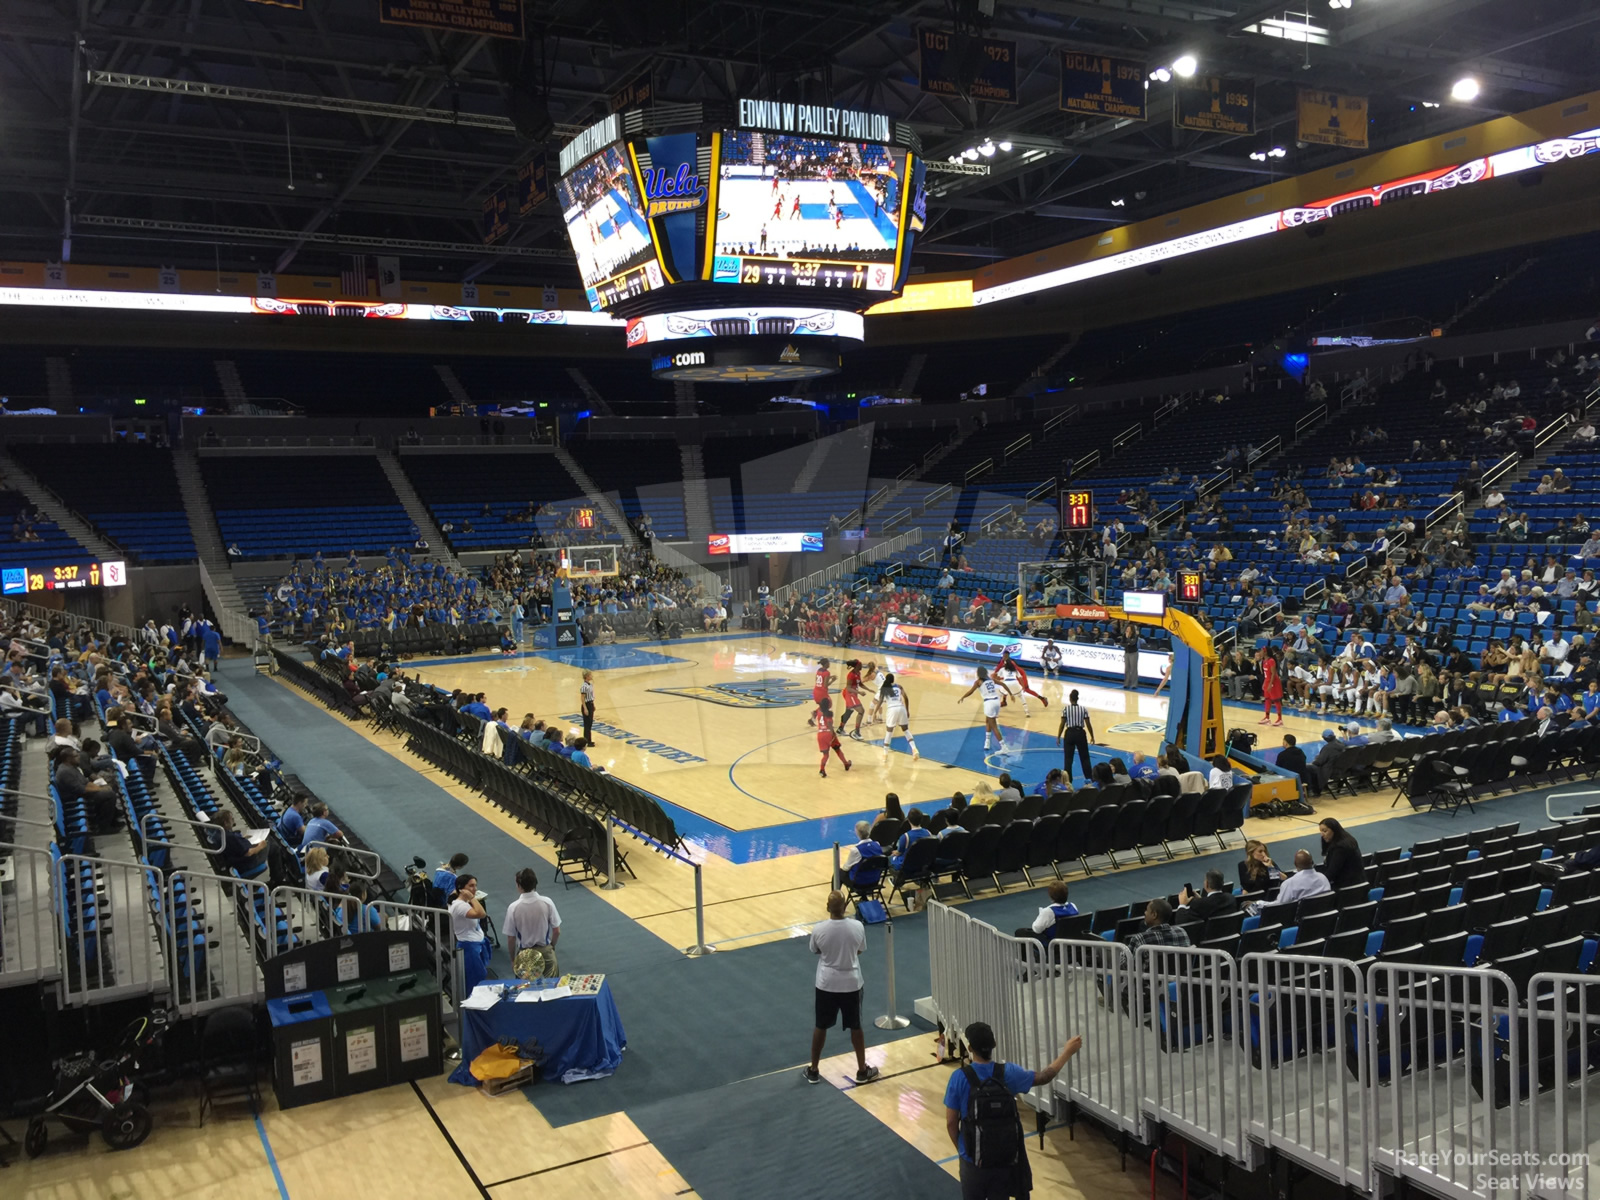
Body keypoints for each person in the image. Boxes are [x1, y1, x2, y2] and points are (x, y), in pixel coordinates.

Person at [944, 1022, 1082, 1200]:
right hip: (1004, 1158)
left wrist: (963, 1149)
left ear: (970, 1047)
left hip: (972, 1162)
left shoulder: (959, 1077)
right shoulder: (1008, 1073)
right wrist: (1067, 1052)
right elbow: (1045, 1076)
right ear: (993, 1045)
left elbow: (950, 1123)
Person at [802, 891, 880, 1086]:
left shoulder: (819, 929)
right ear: (845, 907)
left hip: (826, 984)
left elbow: (815, 950)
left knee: (821, 1025)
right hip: (851, 984)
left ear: (828, 908)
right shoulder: (857, 926)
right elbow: (860, 949)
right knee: (856, 1026)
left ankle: (813, 1070)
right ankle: (862, 1070)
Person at [504, 868, 562, 979]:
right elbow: (557, 931)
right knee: (551, 988)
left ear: (518, 885)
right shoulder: (547, 902)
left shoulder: (513, 907)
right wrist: (551, 947)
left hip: (525, 954)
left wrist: (512, 959)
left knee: (526, 991)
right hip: (545, 951)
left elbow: (511, 938)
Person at [449, 874, 492, 993]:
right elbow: (482, 914)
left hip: (475, 944)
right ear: (462, 888)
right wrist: (473, 898)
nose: (475, 889)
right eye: (471, 886)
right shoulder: (460, 906)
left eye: (475, 885)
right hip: (469, 948)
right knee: (475, 980)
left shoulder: (462, 903)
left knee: (479, 977)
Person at [1262, 849, 1333, 912]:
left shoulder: (1290, 883)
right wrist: (1271, 867)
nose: (1263, 854)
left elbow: (1279, 906)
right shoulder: (1323, 878)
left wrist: (1260, 904)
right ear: (1312, 863)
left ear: (1295, 865)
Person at [958, 666, 1008, 753]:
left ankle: (1004, 747)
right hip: (996, 702)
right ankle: (987, 742)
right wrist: (1010, 694)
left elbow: (971, 691)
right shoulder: (991, 679)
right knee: (988, 721)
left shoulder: (978, 682)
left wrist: (963, 697)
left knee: (994, 726)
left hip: (989, 702)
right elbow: (1003, 684)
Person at [1056, 689, 1095, 784]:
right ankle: (1089, 778)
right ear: (1077, 699)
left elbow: (1062, 723)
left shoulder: (1066, 709)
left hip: (1069, 733)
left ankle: (1068, 781)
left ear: (1070, 699)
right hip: (1080, 733)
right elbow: (1088, 723)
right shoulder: (1083, 709)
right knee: (1085, 757)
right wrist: (1092, 736)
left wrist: (1058, 736)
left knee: (1068, 758)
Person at [1318, 818, 1364, 890]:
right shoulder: (1347, 838)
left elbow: (1332, 873)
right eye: (1320, 831)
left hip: (1348, 886)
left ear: (1334, 830)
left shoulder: (1340, 848)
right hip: (1358, 881)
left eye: (1325, 831)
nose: (1322, 835)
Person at [814, 698, 852, 778]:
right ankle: (846, 764)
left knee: (825, 755)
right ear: (828, 705)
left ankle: (822, 770)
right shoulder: (828, 713)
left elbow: (815, 712)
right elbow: (829, 724)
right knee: (837, 749)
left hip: (820, 734)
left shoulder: (819, 711)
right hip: (828, 734)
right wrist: (833, 734)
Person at [578, 670, 596, 745]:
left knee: (590, 723)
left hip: (590, 704)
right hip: (586, 704)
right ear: (587, 676)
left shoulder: (590, 684)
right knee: (587, 724)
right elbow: (582, 698)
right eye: (590, 675)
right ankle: (586, 741)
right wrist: (585, 708)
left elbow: (591, 696)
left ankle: (589, 740)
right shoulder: (584, 686)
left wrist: (593, 705)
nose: (591, 676)